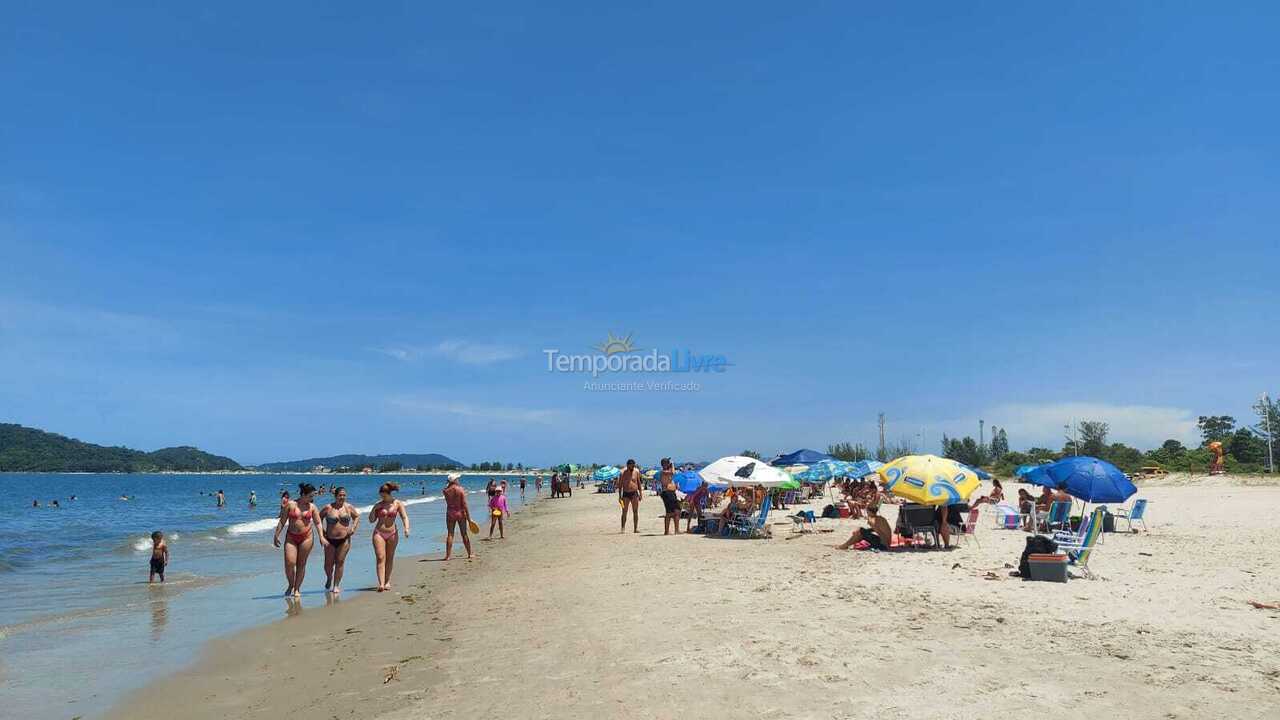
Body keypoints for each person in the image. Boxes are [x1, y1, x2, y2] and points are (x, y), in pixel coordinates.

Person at [273, 483, 326, 597]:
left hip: (306, 537)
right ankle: (291, 584)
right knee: (289, 563)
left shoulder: (312, 507)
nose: (312, 499)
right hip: (291, 537)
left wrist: (321, 536)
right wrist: (276, 535)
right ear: (303, 494)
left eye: (313, 497)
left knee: (301, 564)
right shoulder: (291, 505)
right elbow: (282, 521)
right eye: (310, 496)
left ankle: (297, 589)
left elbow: (318, 523)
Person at [368, 482, 409, 592]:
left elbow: (404, 517)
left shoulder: (397, 503)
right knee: (380, 557)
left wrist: (406, 528)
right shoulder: (379, 504)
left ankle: (387, 581)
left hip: (392, 533)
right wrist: (374, 509)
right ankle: (381, 583)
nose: (382, 497)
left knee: (390, 557)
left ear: (389, 493)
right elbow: (371, 520)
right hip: (379, 533)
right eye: (381, 495)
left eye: (384, 495)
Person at [321, 486, 359, 594]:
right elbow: (318, 518)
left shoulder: (348, 507)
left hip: (344, 540)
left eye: (344, 495)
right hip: (329, 540)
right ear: (335, 496)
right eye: (340, 495)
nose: (342, 497)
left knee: (340, 562)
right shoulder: (328, 508)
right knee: (328, 564)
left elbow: (356, 516)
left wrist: (353, 528)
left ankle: (336, 585)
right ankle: (329, 577)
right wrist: (322, 533)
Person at [443, 473, 474, 560]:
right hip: (460, 513)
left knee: (450, 534)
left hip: (450, 513)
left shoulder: (445, 490)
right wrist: (468, 517)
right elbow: (464, 504)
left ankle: (448, 556)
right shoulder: (460, 489)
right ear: (455, 480)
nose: (458, 480)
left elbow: (449, 492)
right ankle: (469, 554)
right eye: (457, 479)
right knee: (464, 533)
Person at [617, 459, 643, 533]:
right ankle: (623, 528)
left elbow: (639, 483)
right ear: (628, 465)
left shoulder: (636, 472)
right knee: (624, 511)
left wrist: (641, 494)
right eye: (631, 466)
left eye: (634, 466)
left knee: (635, 511)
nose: (633, 467)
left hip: (634, 494)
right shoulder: (623, 473)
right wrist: (619, 496)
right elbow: (620, 485)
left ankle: (635, 528)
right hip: (625, 494)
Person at [657, 458, 681, 535]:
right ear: (663, 464)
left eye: (668, 463)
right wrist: (673, 464)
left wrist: (675, 486)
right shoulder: (663, 471)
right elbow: (673, 472)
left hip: (671, 493)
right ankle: (667, 531)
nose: (668, 464)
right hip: (667, 493)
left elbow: (671, 479)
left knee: (677, 511)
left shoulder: (667, 472)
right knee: (670, 513)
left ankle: (676, 530)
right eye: (667, 463)